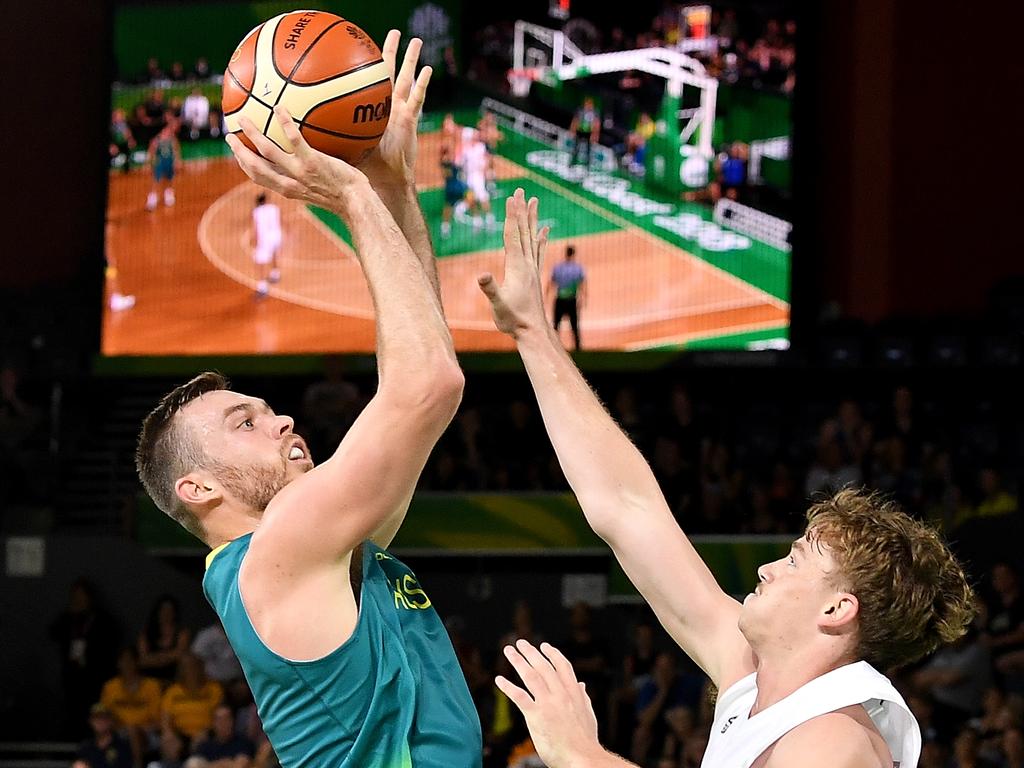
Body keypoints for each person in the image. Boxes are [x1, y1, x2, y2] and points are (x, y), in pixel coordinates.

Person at [475, 193, 977, 768]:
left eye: (794, 562)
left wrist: (581, 755)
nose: (767, 568)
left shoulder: (835, 741)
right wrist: (533, 335)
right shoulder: (753, 680)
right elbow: (626, 506)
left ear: (838, 609)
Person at [134, 33, 481, 768]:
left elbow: (412, 363)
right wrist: (352, 192)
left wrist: (389, 187)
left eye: (264, 410)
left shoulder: (321, 548)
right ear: (196, 488)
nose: (282, 419)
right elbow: (430, 384)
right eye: (246, 422)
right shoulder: (282, 546)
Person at [100, 647, 163, 768]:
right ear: (118, 663)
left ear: (137, 662)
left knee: (132, 731)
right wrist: (120, 727)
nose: (126, 664)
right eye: (123, 661)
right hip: (118, 731)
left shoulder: (152, 685)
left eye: (130, 660)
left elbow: (157, 721)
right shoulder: (110, 687)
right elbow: (105, 715)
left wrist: (136, 729)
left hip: (148, 733)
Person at [137, 594, 192, 684]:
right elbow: (143, 659)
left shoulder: (182, 633)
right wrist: (166, 657)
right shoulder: (146, 634)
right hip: (149, 680)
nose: (166, 613)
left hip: (175, 678)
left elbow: (180, 654)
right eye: (163, 610)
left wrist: (155, 658)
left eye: (170, 610)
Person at [546, 244, 585, 351]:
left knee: (556, 327)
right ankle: (578, 350)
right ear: (573, 254)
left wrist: (546, 297)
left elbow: (550, 283)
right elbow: (582, 285)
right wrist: (582, 299)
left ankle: (553, 350)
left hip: (560, 301)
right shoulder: (578, 268)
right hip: (572, 301)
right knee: (574, 328)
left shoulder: (558, 267)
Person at [74, 703, 133, 768]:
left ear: (111, 721)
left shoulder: (122, 746)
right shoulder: (86, 747)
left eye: (104, 718)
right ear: (91, 721)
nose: (100, 722)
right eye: (97, 718)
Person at [250, 193, 282, 299]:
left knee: (259, 263)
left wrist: (254, 241)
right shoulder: (274, 208)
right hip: (277, 236)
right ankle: (275, 274)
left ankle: (262, 288)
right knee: (274, 254)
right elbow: (281, 220)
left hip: (265, 240)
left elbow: (255, 229)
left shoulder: (257, 212)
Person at [146, 121, 182, 211]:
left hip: (169, 161)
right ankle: (152, 200)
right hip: (159, 162)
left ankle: (168, 194)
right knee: (156, 180)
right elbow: (151, 151)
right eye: (166, 129)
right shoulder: (156, 140)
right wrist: (150, 163)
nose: (168, 130)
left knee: (169, 179)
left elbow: (176, 150)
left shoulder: (172, 139)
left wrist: (177, 161)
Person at [569, 97, 601, 169]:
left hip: (589, 133)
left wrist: (595, 135)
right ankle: (572, 162)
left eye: (590, 104)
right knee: (575, 148)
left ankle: (587, 166)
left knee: (588, 150)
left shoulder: (595, 113)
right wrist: (572, 130)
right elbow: (575, 120)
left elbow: (597, 124)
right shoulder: (580, 111)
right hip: (580, 132)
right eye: (587, 104)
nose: (588, 106)